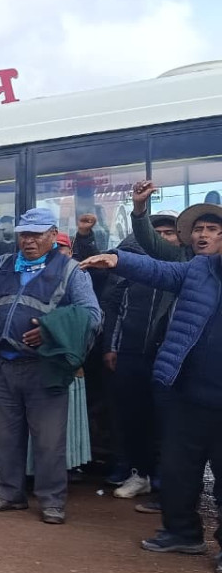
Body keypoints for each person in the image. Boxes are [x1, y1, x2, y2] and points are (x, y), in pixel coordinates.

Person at [0, 208, 101, 525]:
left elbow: (93, 317)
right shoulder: (5, 263)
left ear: (52, 235)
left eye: (36, 234)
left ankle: (52, 501)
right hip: (4, 365)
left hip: (45, 368)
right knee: (5, 437)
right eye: (24, 234)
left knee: (49, 441)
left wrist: (51, 329)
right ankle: (10, 494)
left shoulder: (71, 271)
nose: (29, 241)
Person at [80, 204, 222, 559]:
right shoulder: (198, 269)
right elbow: (158, 270)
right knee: (177, 470)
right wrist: (118, 260)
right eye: (199, 229)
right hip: (187, 392)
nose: (203, 235)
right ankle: (182, 533)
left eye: (212, 229)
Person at [101, 213, 181, 502]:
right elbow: (114, 310)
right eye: (157, 232)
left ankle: (165, 476)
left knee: (166, 420)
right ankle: (139, 474)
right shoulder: (132, 272)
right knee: (133, 417)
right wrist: (111, 347)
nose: (163, 237)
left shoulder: (183, 272)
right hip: (130, 354)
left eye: (169, 233)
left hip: (168, 359)